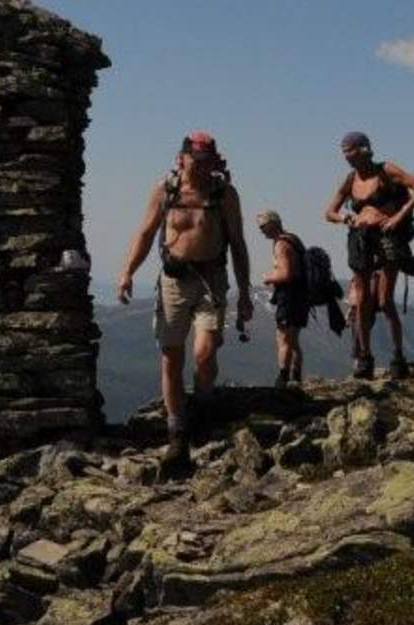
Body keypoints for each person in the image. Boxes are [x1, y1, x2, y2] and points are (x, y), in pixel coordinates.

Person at [117, 131, 254, 470]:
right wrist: (127, 272)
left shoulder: (224, 194)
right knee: (171, 357)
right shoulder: (165, 191)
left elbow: (238, 243)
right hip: (174, 281)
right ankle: (177, 431)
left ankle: (202, 404)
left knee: (205, 353)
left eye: (208, 160)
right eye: (197, 160)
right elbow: (146, 233)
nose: (202, 166)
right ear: (182, 158)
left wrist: (244, 292)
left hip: (211, 280)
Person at [323, 132, 414, 380]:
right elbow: (329, 212)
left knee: (385, 300)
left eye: (350, 151)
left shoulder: (386, 170)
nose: (347, 157)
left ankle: (398, 357)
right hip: (360, 238)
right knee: (362, 300)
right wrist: (346, 218)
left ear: (364, 150)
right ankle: (365, 357)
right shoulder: (351, 179)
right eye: (344, 152)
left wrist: (399, 216)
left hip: (387, 237)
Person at [257, 209, 308, 388]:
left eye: (263, 226)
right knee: (293, 339)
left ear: (273, 224)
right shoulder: (293, 239)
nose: (261, 230)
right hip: (302, 294)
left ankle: (283, 378)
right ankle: (296, 375)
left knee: (283, 337)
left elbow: (286, 274)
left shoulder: (281, 244)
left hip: (289, 295)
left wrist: (268, 278)